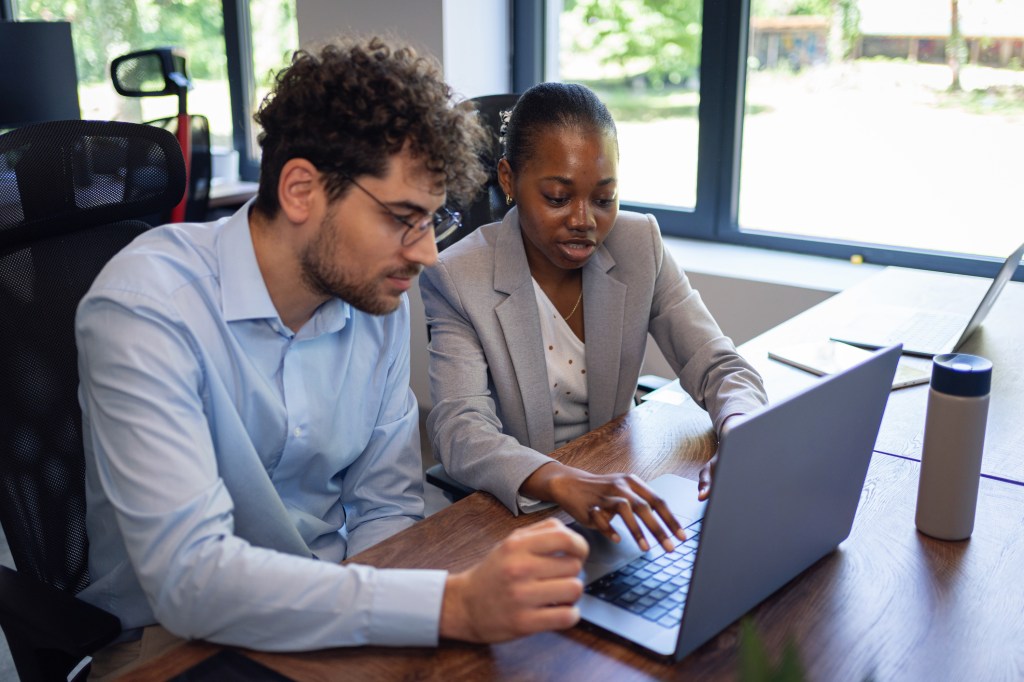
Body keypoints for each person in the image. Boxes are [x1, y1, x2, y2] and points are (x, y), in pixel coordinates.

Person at [75, 36, 588, 677]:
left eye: (433, 219)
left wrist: (386, 624)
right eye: (404, 217)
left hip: (338, 598)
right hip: (173, 645)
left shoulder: (375, 299)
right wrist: (444, 606)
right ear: (300, 190)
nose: (428, 254)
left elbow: (385, 507)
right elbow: (191, 582)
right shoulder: (147, 307)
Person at [420, 82, 768, 554]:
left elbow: (718, 364)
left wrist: (741, 432)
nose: (585, 220)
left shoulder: (639, 244)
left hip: (617, 496)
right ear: (507, 180)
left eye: (604, 199)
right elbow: (461, 431)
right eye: (558, 197)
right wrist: (563, 481)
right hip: (518, 515)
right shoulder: (458, 277)